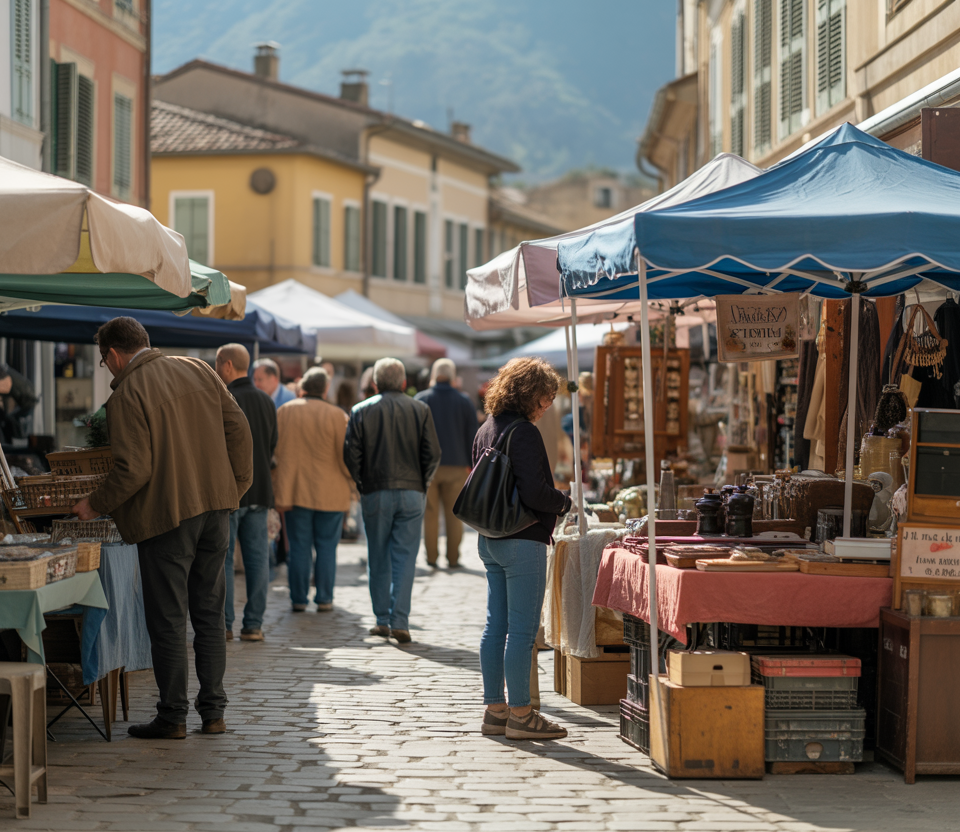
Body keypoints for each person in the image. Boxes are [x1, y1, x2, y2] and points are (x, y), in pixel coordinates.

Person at [72, 317, 252, 740]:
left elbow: (134, 469)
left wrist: (93, 505)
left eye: (104, 361)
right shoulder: (197, 367)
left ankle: (172, 716)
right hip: (215, 508)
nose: (107, 367)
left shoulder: (128, 393)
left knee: (168, 619)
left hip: (168, 515)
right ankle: (213, 714)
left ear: (114, 354)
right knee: (209, 614)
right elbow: (239, 429)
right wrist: (235, 488)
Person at [473, 357, 571, 741]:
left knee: (495, 626)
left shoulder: (487, 428)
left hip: (490, 539)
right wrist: (563, 501)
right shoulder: (524, 432)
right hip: (522, 538)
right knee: (522, 632)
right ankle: (522, 715)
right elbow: (535, 493)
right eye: (545, 400)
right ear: (529, 394)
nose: (546, 408)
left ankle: (495, 710)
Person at [343, 357, 441, 643]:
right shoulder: (420, 409)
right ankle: (400, 620)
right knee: (406, 557)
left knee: (378, 555)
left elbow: (351, 454)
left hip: (375, 491)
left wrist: (362, 483)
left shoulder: (361, 410)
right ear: (404, 383)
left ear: (374, 383)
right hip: (412, 491)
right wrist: (422, 483)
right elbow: (433, 453)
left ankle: (382, 619)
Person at [273, 367, 353, 612]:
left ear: (303, 386)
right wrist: (352, 482)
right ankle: (325, 598)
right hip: (331, 491)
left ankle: (298, 599)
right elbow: (346, 457)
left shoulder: (284, 411)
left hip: (295, 490)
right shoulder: (338, 415)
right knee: (327, 547)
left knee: (298, 547)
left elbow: (274, 450)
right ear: (326, 388)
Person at [215, 343, 278, 643]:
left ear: (227, 366)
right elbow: (272, 445)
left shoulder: (223, 397)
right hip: (260, 491)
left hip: (230, 492)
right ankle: (253, 624)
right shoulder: (267, 401)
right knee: (257, 560)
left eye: (217, 366)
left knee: (224, 560)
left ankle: (225, 624)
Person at [414, 358, 478, 567]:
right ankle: (453, 558)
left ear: (433, 375)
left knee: (430, 514)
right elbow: (473, 437)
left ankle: (431, 557)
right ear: (452, 376)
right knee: (454, 515)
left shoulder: (421, 399)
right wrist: (472, 465)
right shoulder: (464, 401)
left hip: (428, 467)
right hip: (457, 465)